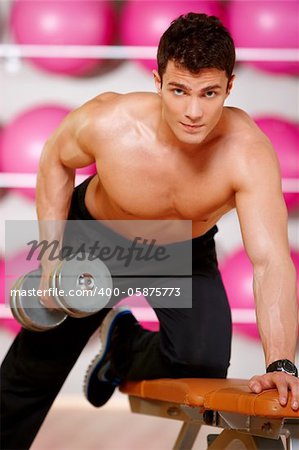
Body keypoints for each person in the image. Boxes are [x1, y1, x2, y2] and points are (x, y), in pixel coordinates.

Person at [1, 12, 298, 450]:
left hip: (182, 250)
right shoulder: (110, 121)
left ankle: (124, 347)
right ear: (157, 81)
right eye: (179, 91)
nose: (193, 111)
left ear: (229, 87)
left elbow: (271, 259)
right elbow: (55, 160)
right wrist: (51, 261)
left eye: (209, 93)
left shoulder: (247, 153)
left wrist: (282, 365)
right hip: (96, 240)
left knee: (202, 362)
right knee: (32, 375)